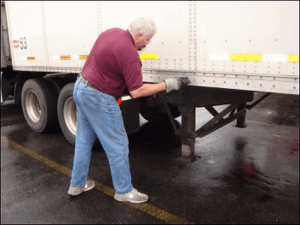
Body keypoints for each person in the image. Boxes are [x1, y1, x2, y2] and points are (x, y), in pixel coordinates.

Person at [67, 17, 187, 203]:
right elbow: (137, 91)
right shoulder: (130, 54)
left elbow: (106, 66)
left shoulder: (112, 32)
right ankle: (123, 191)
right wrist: (166, 84)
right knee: (118, 145)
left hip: (80, 87)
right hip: (99, 96)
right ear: (138, 34)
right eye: (147, 39)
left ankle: (76, 185)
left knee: (83, 140)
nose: (147, 43)